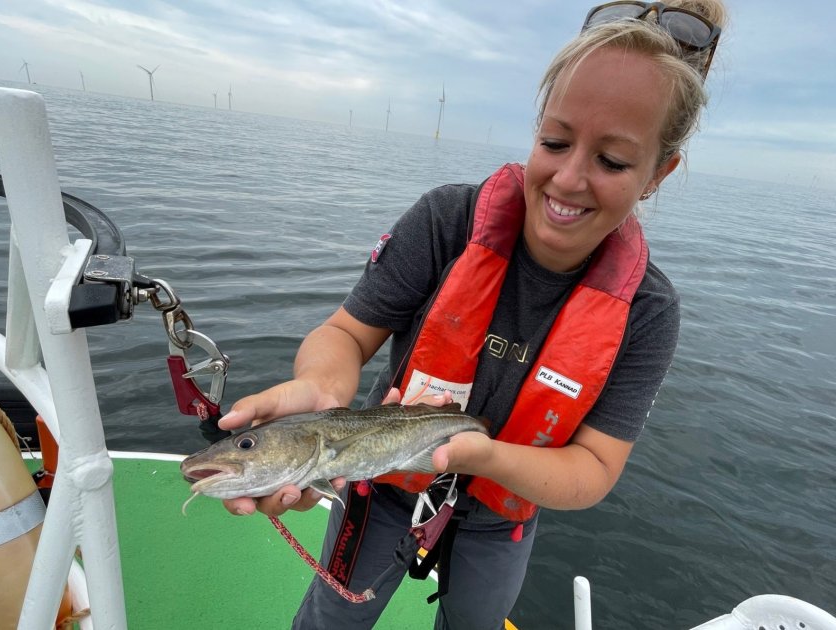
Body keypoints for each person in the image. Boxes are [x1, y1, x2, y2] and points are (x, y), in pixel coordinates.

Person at [219, 1, 729, 627]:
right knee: (332, 617)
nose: (569, 178)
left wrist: (478, 456)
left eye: (613, 161)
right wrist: (322, 386)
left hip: (500, 520)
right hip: (381, 493)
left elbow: (593, 470)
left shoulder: (648, 310)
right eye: (555, 141)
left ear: (659, 172)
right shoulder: (446, 222)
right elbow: (346, 334)